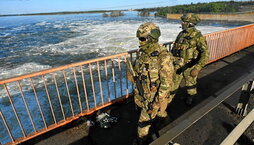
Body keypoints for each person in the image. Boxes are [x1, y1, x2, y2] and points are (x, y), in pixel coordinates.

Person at [127, 22, 174, 145]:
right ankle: (163, 117)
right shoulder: (144, 53)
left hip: (153, 98)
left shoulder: (163, 56)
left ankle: (141, 140)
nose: (140, 41)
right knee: (156, 114)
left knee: (143, 123)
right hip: (142, 93)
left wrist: (156, 103)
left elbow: (166, 83)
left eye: (142, 38)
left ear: (151, 38)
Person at [171, 13, 209, 105]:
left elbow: (205, 53)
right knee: (173, 84)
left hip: (190, 66)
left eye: (184, 21)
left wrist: (198, 68)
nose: (182, 23)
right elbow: (174, 48)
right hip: (178, 65)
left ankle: (190, 97)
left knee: (190, 85)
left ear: (190, 23)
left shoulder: (198, 36)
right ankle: (168, 101)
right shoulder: (181, 34)